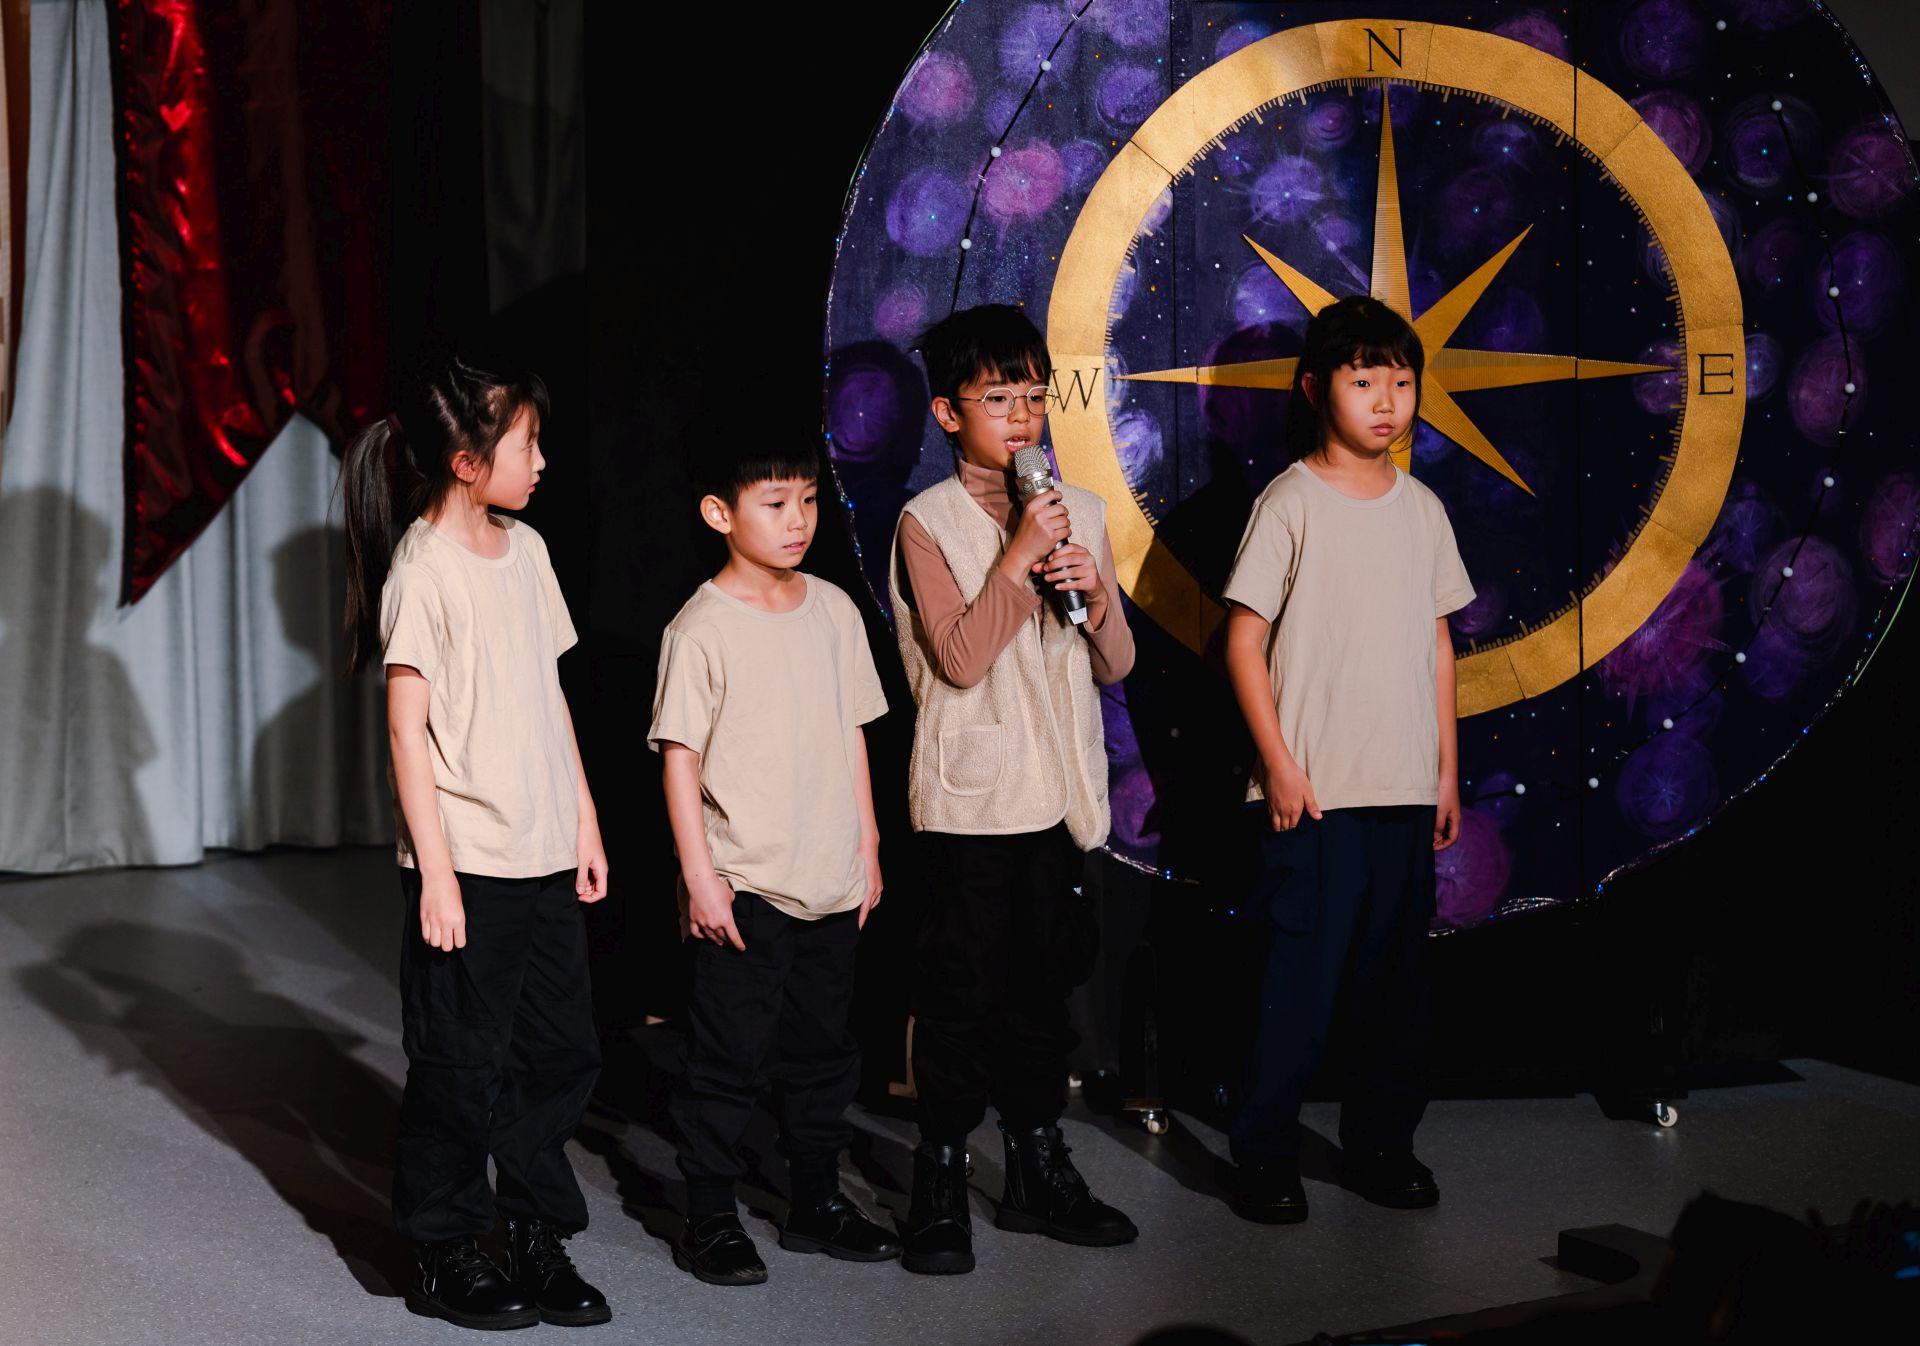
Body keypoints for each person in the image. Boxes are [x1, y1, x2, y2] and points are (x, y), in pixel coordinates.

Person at [339, 357, 611, 1329]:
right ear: (466, 462)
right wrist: (437, 874)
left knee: (559, 1052)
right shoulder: (423, 570)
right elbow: (405, 730)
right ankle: (444, 1246)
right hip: (469, 863)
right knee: (459, 1062)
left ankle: (534, 1229)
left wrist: (583, 815)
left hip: (543, 853)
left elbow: (548, 692)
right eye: (526, 445)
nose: (541, 461)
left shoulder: (528, 550)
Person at [887, 303, 1138, 1275]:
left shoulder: (1083, 511)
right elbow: (957, 659)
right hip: (972, 800)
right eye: (999, 398)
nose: (1024, 414)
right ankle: (941, 1175)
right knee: (960, 994)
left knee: (1044, 988)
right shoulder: (928, 522)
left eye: (1034, 394)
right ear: (950, 414)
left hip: (1060, 794)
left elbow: (1115, 663)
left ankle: (1039, 1165)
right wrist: (1020, 554)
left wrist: (1095, 592)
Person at [1220, 295, 1475, 1225]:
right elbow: (1243, 640)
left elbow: (1438, 644)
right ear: (1314, 389)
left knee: (1395, 990)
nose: (1386, 400)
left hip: (1403, 788)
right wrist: (1280, 766)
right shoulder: (1289, 502)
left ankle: (1382, 1148)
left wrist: (1445, 770)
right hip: (1315, 794)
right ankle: (1264, 1155)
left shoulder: (1424, 509)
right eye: (1363, 380)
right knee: (1298, 985)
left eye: (1401, 382)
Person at [649, 442, 899, 1286]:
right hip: (747, 882)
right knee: (727, 1060)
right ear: (720, 514)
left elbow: (852, 729)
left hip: (830, 876)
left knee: (823, 1054)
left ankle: (817, 1201)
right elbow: (679, 758)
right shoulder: (700, 627)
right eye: (775, 503)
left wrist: (867, 842)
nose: (799, 521)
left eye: (809, 501)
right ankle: (711, 1215)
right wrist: (700, 876)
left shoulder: (833, 609)